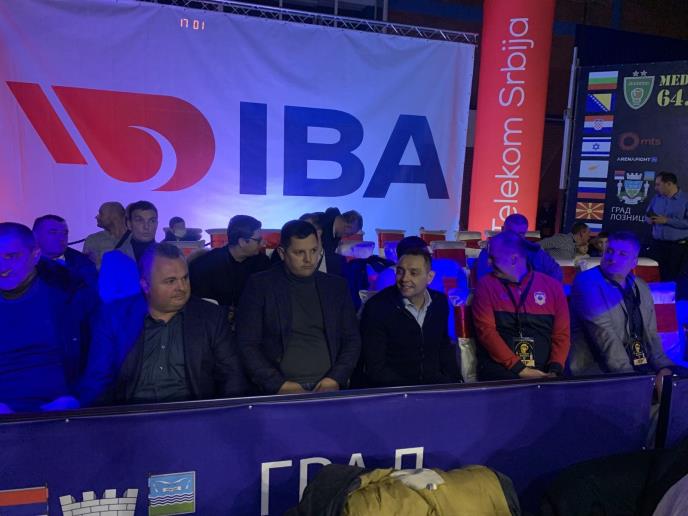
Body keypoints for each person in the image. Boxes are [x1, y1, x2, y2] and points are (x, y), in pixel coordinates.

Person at [80, 243, 247, 405]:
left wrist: (224, 416)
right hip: (132, 415)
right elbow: (97, 380)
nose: (182, 287)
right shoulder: (115, 318)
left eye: (185, 278)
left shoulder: (211, 317)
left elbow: (232, 376)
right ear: (145, 285)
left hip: (193, 414)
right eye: (170, 281)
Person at [236, 220, 361, 394]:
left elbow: (352, 339)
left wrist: (335, 378)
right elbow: (247, 344)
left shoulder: (336, 287)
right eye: (299, 252)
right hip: (280, 388)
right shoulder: (260, 286)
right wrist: (278, 384)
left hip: (329, 386)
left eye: (314, 251)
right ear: (282, 253)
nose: (309, 259)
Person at [0, 222, 94, 413]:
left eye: (11, 256)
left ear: (35, 256)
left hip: (60, 408)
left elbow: (100, 357)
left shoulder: (69, 293)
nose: (2, 266)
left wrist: (78, 399)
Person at [568, 232, 676, 387]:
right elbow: (606, 338)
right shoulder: (586, 283)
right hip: (597, 371)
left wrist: (664, 368)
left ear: (634, 262)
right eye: (610, 251)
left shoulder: (640, 286)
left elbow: (651, 334)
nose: (613, 258)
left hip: (638, 364)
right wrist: (634, 380)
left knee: (675, 385)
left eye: (622, 254)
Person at [471, 231, 570, 381]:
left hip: (546, 367)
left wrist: (555, 368)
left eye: (493, 258)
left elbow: (561, 334)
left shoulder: (552, 287)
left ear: (513, 259)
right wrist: (521, 369)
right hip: (502, 368)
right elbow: (486, 333)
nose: (488, 263)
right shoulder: (486, 285)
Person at [360, 246, 458, 387]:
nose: (405, 279)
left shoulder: (439, 302)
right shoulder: (377, 307)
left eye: (413, 273)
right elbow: (375, 367)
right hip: (394, 388)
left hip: (434, 385)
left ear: (429, 277)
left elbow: (444, 348)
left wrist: (454, 382)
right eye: (400, 272)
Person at [189, 215, 271, 319]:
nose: (263, 243)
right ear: (242, 242)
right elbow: (198, 305)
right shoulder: (205, 266)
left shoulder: (262, 263)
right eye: (258, 240)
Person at [474, 213, 562, 282]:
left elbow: (556, 274)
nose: (515, 237)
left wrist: (539, 289)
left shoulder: (535, 251)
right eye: (512, 233)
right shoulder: (489, 251)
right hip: (501, 297)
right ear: (502, 229)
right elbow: (484, 281)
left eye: (521, 234)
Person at [33, 214, 98, 291]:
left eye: (65, 233)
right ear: (35, 235)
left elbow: (92, 292)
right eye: (53, 232)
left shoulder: (82, 262)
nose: (61, 238)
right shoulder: (25, 262)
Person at [645, 172, 688, 282]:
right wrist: (649, 219)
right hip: (656, 245)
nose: (655, 188)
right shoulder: (656, 198)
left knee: (672, 280)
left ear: (669, 184)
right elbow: (647, 214)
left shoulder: (686, 200)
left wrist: (667, 220)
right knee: (653, 276)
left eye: (658, 184)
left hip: (677, 249)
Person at [82, 202, 129, 269]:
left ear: (114, 216)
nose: (96, 217)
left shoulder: (135, 238)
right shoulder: (93, 239)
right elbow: (88, 268)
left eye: (101, 214)